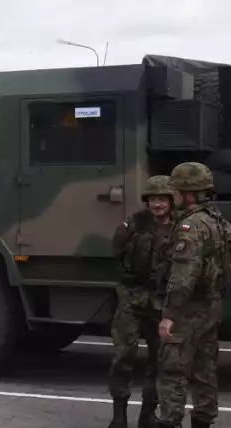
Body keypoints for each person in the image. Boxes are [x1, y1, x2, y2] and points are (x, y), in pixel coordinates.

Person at [155, 162, 231, 428]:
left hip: (188, 309)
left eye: (175, 190)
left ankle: (170, 421)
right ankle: (203, 420)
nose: (172, 195)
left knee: (172, 371)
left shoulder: (190, 226)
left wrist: (169, 315)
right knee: (204, 370)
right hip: (211, 307)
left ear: (188, 193)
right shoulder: (218, 221)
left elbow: (183, 275)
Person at [107, 175, 175, 428]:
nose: (157, 204)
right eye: (153, 199)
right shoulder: (134, 223)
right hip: (131, 296)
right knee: (123, 356)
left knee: (159, 361)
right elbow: (116, 250)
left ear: (171, 201)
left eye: (162, 199)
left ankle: (148, 413)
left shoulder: (179, 227)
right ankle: (119, 416)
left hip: (161, 301)